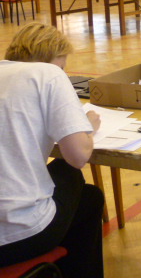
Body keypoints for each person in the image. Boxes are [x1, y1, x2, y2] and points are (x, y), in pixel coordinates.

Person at [0, 22, 104, 277]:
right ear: (52, 59)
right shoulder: (49, 74)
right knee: (69, 171)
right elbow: (78, 156)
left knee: (90, 199)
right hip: (15, 236)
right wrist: (87, 128)